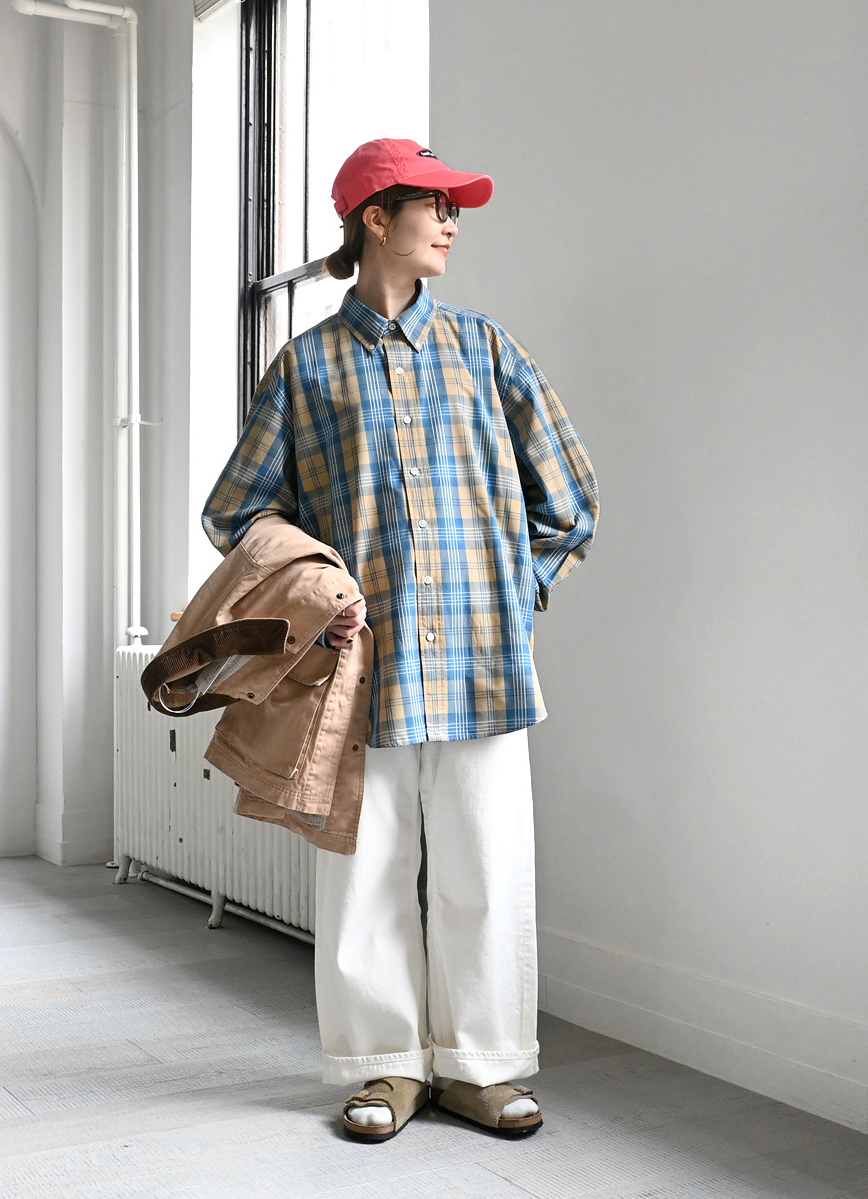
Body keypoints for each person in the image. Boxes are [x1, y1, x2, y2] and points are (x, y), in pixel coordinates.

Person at [202, 138, 598, 1143]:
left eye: (455, 207)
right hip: (360, 672)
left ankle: (481, 1068)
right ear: (376, 218)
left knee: (486, 872)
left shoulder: (486, 351)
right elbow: (237, 513)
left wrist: (516, 590)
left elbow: (570, 499)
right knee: (364, 872)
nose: (453, 222)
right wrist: (312, 595)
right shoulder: (307, 368)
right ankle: (382, 1068)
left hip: (482, 665)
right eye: (437, 204)